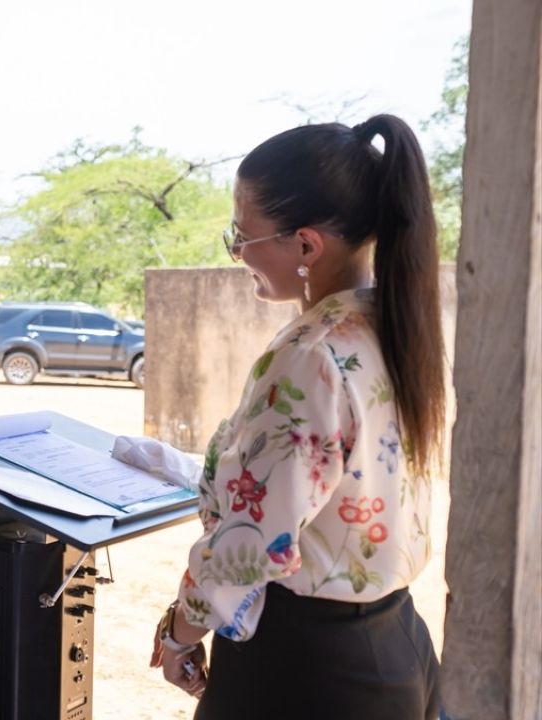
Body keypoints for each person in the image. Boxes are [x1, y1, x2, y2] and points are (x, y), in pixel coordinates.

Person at [146, 115, 445, 719]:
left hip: (305, 670)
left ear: (306, 245)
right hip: (396, 644)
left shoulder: (312, 355)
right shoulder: (392, 330)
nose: (236, 251)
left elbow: (257, 540)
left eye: (241, 234)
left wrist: (179, 629)